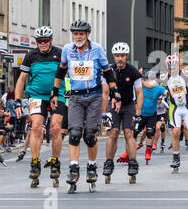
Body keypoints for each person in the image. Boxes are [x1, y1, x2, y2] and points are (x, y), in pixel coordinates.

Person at [51, 20, 122, 193]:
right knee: (74, 133)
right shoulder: (68, 49)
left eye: (81, 34)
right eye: (75, 34)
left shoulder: (97, 49)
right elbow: (61, 70)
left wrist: (115, 92)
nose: (78, 37)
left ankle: (91, 167)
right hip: (75, 96)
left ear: (87, 35)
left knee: (90, 135)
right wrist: (54, 91)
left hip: (94, 96)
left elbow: (107, 72)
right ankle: (74, 168)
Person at [14, 26, 66, 188]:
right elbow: (21, 79)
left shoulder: (60, 53)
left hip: (58, 95)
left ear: (51, 40)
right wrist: (17, 101)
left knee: (55, 128)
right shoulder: (31, 55)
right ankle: (35, 163)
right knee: (36, 127)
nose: (42, 44)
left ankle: (55, 162)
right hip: (36, 95)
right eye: (39, 41)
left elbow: (70, 73)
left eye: (45, 41)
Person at [101, 42, 143, 184]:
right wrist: (104, 113)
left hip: (128, 105)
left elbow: (139, 93)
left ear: (127, 56)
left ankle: (132, 163)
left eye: (123, 55)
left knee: (128, 133)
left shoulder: (133, 72)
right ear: (114, 56)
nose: (120, 58)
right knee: (113, 132)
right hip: (113, 106)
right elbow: (105, 92)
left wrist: (138, 114)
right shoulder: (108, 71)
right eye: (117, 55)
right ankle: (108, 162)